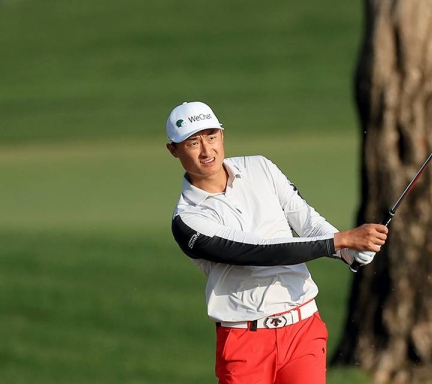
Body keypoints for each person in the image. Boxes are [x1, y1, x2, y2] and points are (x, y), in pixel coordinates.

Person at [165, 101, 388, 384]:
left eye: (211, 137)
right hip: (244, 340)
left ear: (222, 134)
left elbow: (307, 220)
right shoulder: (187, 220)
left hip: (302, 329)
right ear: (173, 149)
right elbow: (258, 251)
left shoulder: (260, 167)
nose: (207, 151)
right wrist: (341, 240)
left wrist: (349, 251)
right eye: (193, 143)